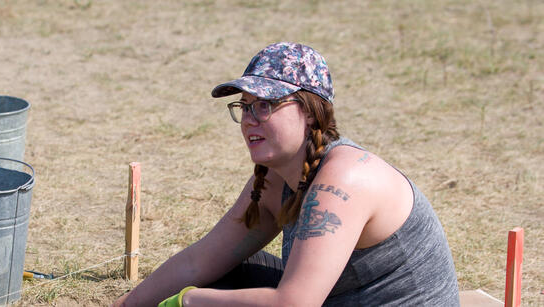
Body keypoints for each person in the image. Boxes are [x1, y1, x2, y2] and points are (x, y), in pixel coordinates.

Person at [112, 42, 460, 306]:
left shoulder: (345, 180)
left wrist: (190, 300)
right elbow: (198, 262)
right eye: (245, 106)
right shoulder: (276, 177)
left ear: (310, 112)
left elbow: (294, 303)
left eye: (265, 104)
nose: (250, 119)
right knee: (229, 271)